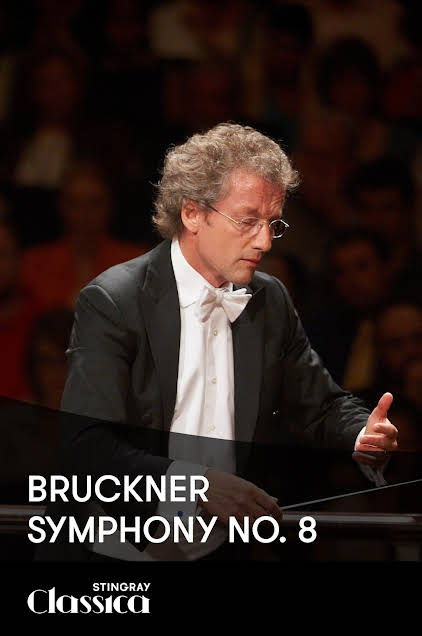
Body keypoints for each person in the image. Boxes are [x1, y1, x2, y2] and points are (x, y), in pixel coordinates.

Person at [56, 123, 398, 562]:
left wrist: (363, 433)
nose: (265, 241)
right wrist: (195, 483)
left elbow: (320, 405)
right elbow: (87, 445)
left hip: (223, 549)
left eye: (273, 223)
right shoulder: (114, 300)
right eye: (248, 221)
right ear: (192, 214)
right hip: (116, 550)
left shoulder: (270, 299)